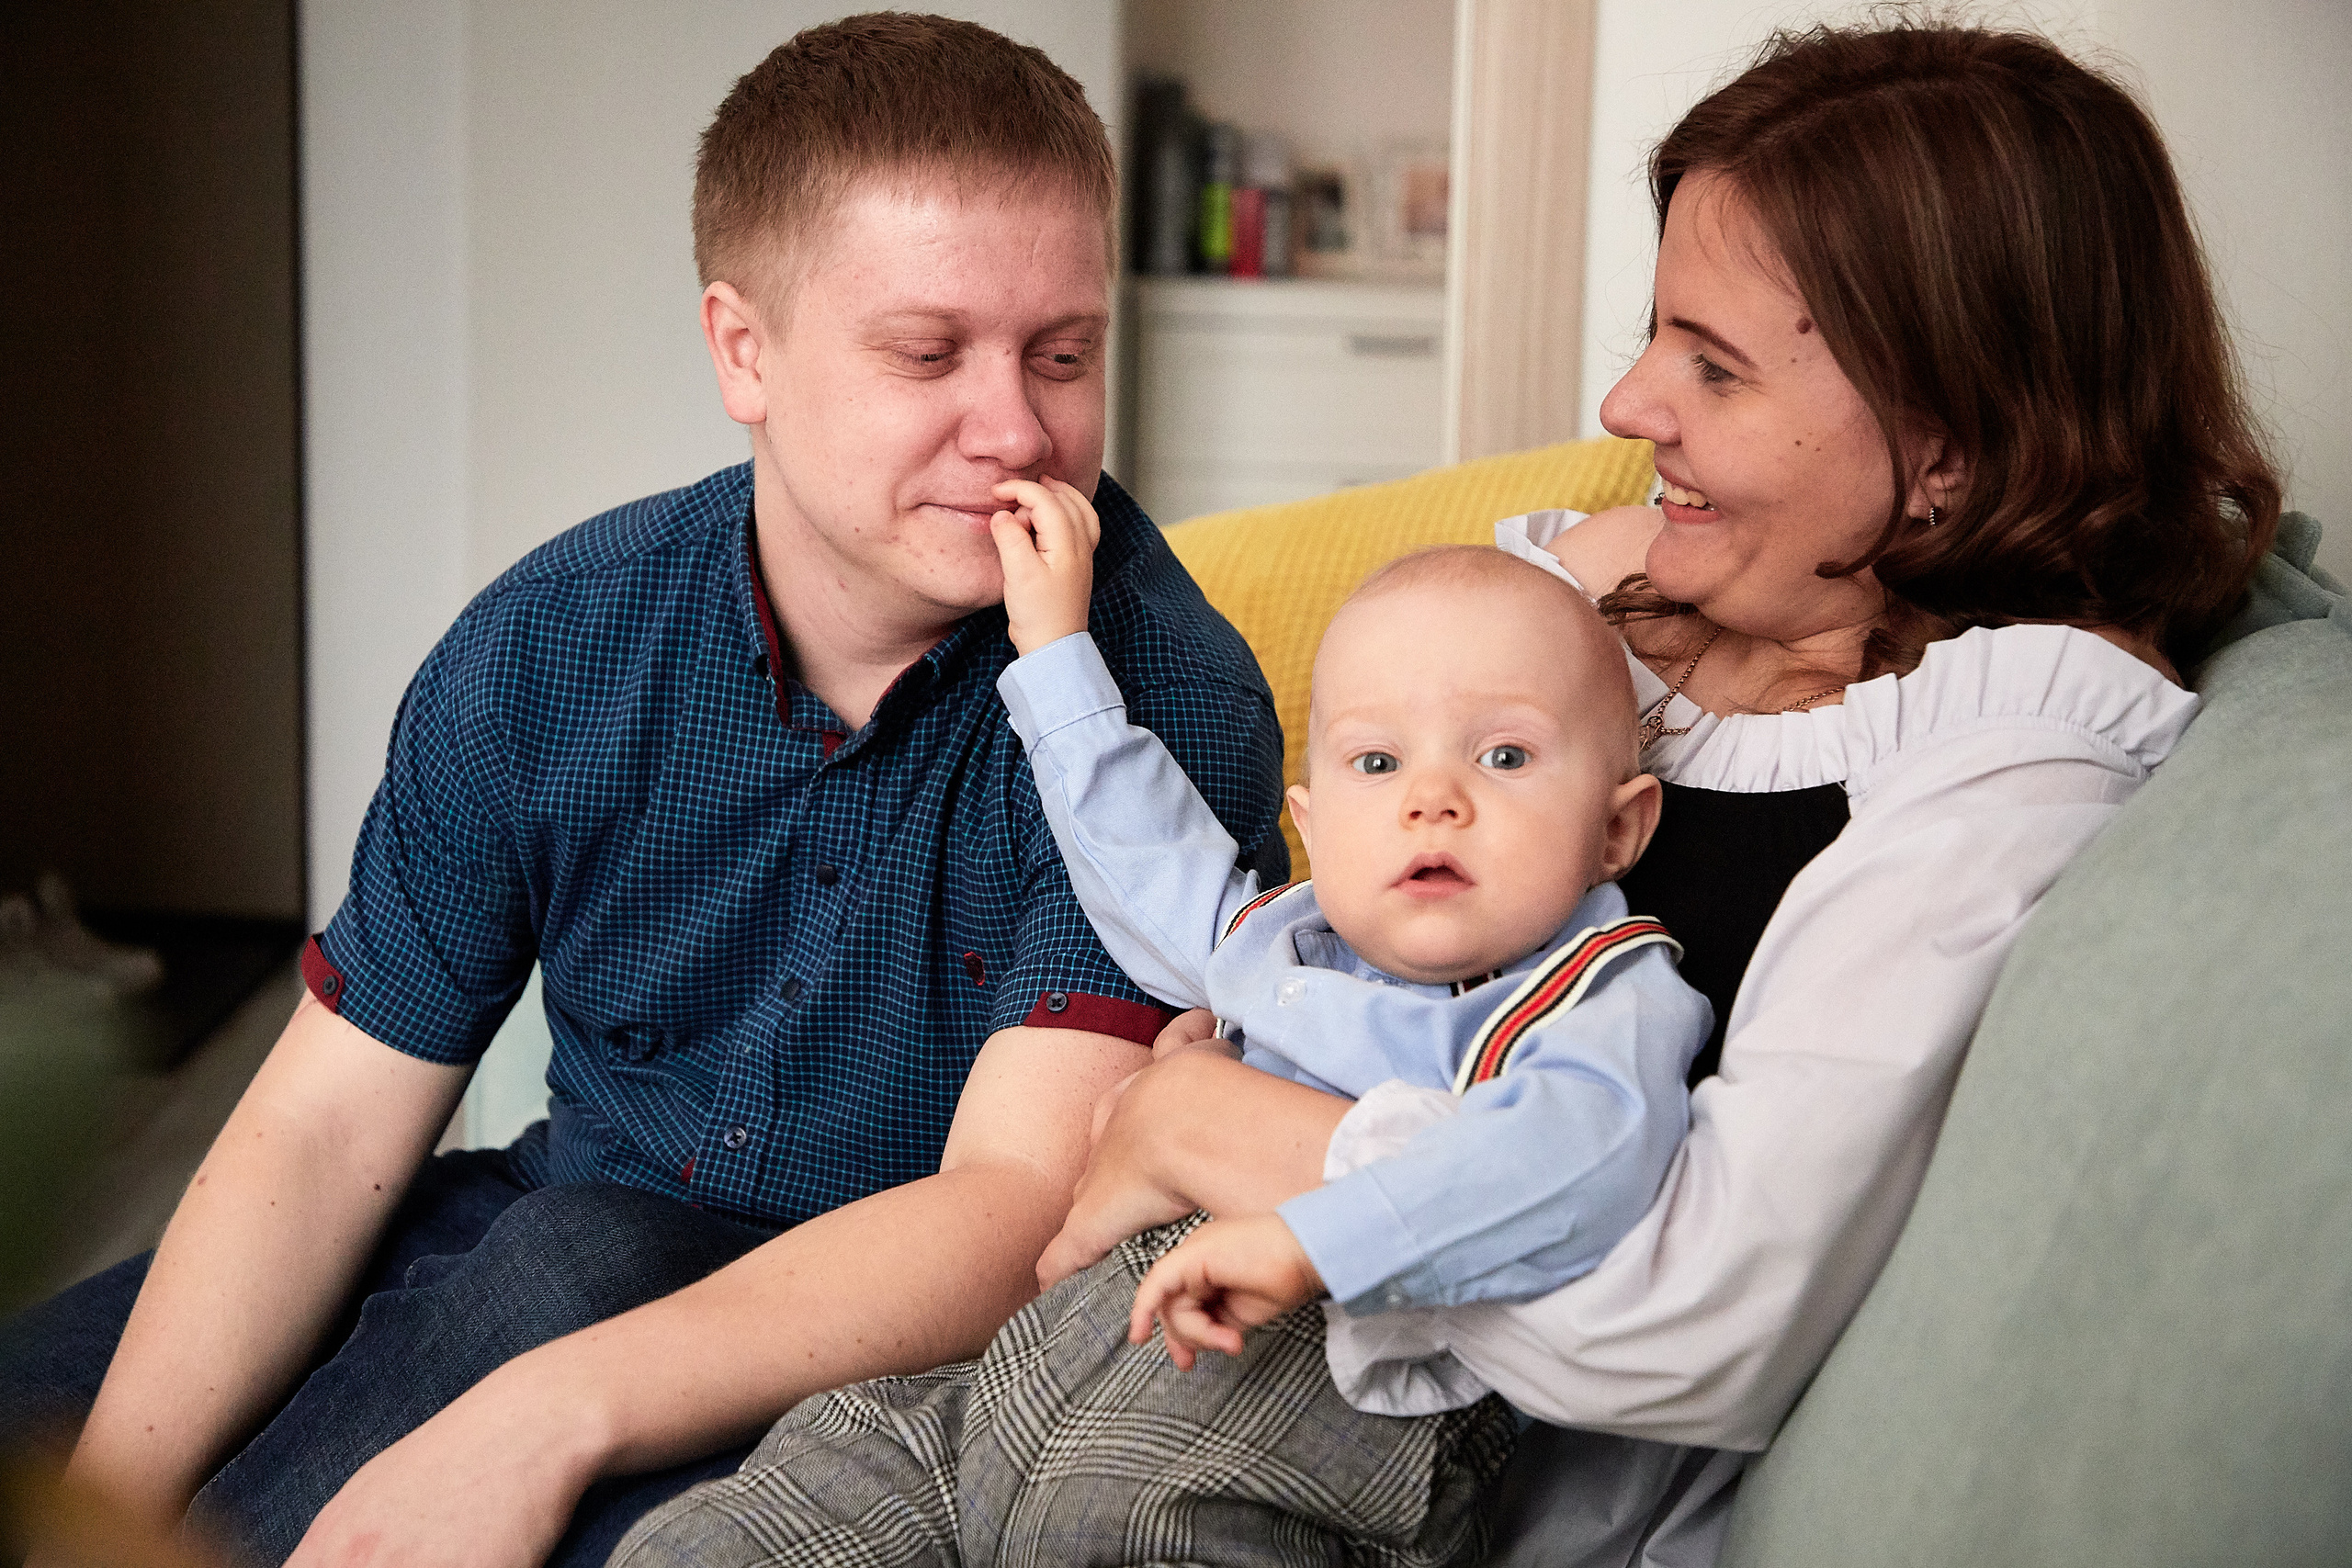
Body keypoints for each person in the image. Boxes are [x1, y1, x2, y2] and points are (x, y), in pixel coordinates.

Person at [627, 20, 2281, 1568]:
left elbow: (1685, 1311)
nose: (1629, 410)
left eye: (1712, 366)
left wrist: (1229, 1132)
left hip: (1332, 1421)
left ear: (1949, 451)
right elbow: (1224, 874)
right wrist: (1061, 668)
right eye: (1656, 335)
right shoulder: (1626, 594)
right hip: (1091, 1344)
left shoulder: (1987, 779)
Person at [0, 16, 1286, 1568]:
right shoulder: (548, 647)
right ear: (744, 350)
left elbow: (1019, 1206)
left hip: (872, 1359)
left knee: (559, 1300)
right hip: (547, 1234)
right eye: (929, 353)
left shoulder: (1158, 704)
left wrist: (537, 1419)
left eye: (1062, 355)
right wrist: (113, 1502)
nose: (1016, 429)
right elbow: (331, 1125)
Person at [610, 501, 1716, 1568]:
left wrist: (1315, 1237)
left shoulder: (1599, 992)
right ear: (1315, 825)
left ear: (1618, 827)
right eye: (1378, 764)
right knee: (755, 1513)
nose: (1433, 799)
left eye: (1505, 758)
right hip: (1026, 1384)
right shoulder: (1280, 943)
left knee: (1101, 1526)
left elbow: (1578, 1162)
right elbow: (1145, 855)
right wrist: (1051, 649)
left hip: (1297, 1417)